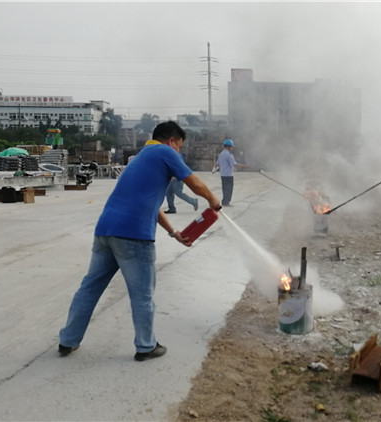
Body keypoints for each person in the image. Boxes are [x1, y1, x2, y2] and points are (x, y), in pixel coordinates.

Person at [58, 121, 221, 362]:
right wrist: (213, 199)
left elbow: (150, 206)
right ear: (171, 141)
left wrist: (174, 232)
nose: (179, 152)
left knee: (90, 288)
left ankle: (68, 340)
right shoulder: (165, 152)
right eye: (179, 146)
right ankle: (146, 346)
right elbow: (194, 183)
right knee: (142, 293)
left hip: (105, 231)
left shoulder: (141, 157)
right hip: (133, 235)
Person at [213, 139, 248, 207]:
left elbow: (217, 164)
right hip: (228, 175)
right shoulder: (229, 154)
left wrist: (214, 170)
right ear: (229, 146)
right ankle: (226, 202)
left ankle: (224, 201)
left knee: (225, 188)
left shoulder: (221, 154)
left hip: (223, 174)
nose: (232, 148)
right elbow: (234, 164)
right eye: (232, 146)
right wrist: (245, 166)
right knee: (229, 189)